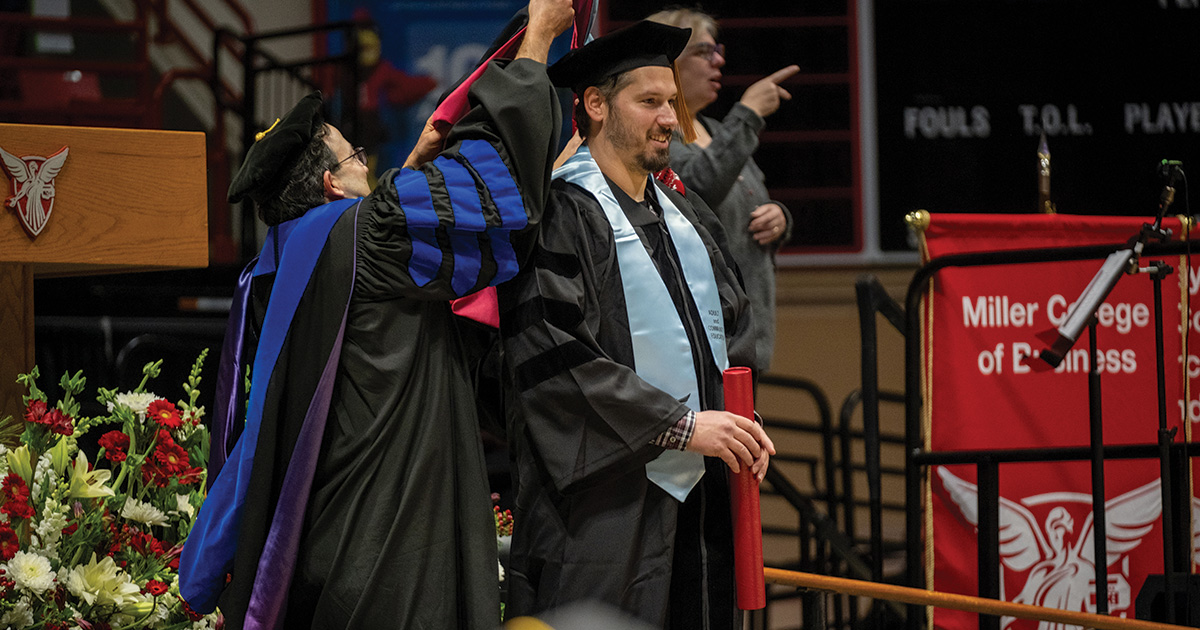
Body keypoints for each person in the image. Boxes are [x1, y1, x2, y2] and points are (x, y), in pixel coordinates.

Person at [178, 1, 574, 628]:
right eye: (355, 156)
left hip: (329, 537)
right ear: (333, 185)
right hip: (389, 537)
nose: (370, 162)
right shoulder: (366, 233)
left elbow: (372, 283)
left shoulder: (280, 262)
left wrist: (413, 164)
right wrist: (537, 47)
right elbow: (492, 193)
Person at [497, 20, 776, 629]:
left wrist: (740, 417)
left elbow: (734, 326)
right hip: (606, 508)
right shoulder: (563, 216)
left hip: (701, 501)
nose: (670, 118)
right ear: (595, 105)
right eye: (649, 102)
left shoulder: (685, 213)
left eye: (671, 102)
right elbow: (551, 357)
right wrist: (679, 425)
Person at [648, 8, 798, 371]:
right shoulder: (660, 136)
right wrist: (747, 112)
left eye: (719, 50)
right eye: (703, 52)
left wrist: (780, 218)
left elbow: (748, 203)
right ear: (668, 62)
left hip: (749, 336)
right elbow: (699, 190)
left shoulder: (716, 129)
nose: (718, 61)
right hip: (709, 340)